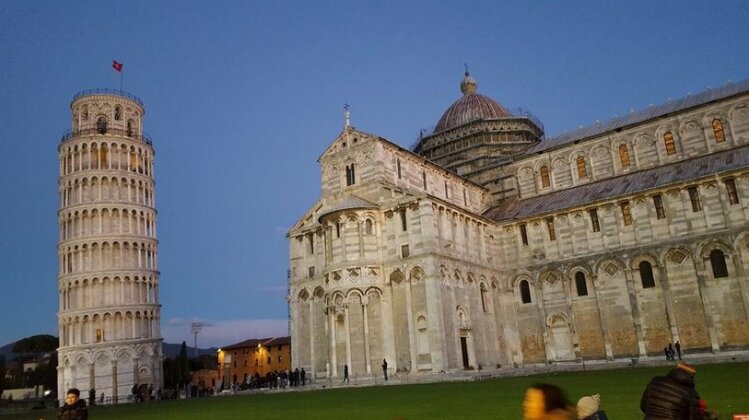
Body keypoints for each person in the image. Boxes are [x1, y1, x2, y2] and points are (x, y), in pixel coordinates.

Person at [640, 362, 710, 419]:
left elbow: (643, 406)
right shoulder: (691, 394)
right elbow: (694, 417)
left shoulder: (655, 381)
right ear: (691, 377)